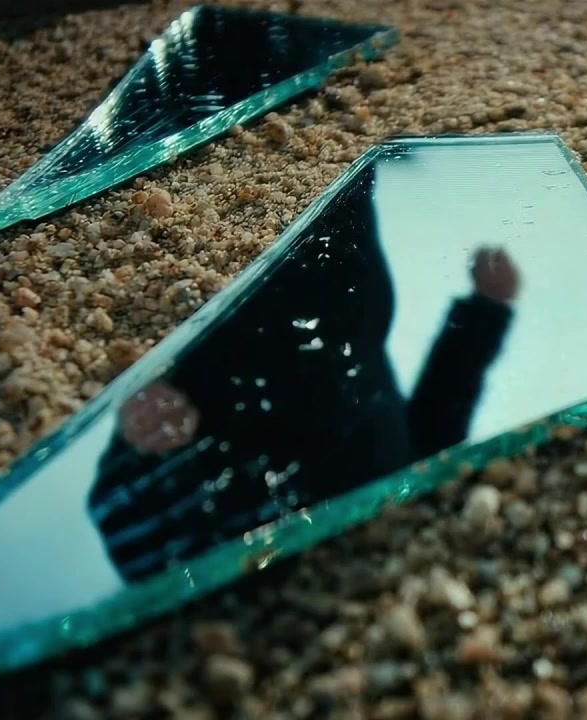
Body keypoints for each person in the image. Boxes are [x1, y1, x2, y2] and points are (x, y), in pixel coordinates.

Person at [86, 164, 519, 583]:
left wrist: (137, 426)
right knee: (323, 173)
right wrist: (486, 312)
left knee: (272, 172)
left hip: (238, 310)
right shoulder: (394, 539)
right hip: (339, 290)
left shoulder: (176, 569)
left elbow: (123, 503)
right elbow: (437, 431)